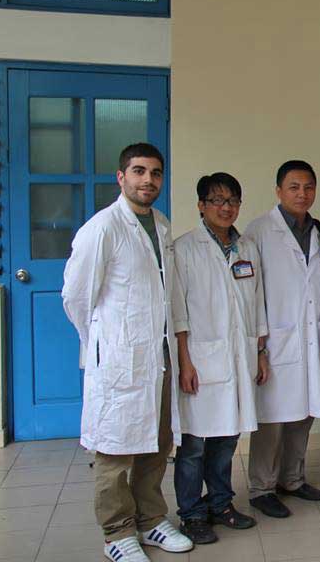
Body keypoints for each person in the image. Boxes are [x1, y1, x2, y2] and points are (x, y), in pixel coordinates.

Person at [62, 143, 193, 562]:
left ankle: (150, 519)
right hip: (119, 358)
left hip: (158, 355)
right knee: (115, 449)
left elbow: (169, 292)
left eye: (155, 173)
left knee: (157, 442)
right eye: (139, 171)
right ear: (121, 177)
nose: (147, 180)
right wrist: (103, 343)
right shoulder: (102, 228)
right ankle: (117, 532)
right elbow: (76, 297)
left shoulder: (162, 225)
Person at [171, 173, 267, 544]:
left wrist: (260, 352)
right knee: (194, 445)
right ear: (201, 205)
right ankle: (192, 514)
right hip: (200, 359)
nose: (226, 208)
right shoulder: (184, 249)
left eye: (233, 201)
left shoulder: (247, 248)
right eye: (217, 200)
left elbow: (257, 304)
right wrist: (184, 361)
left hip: (239, 356)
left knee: (227, 438)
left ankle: (221, 504)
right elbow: (178, 313)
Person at [243, 161, 320, 518]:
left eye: (308, 187)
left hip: (310, 337)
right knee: (272, 419)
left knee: (303, 413)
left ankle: (292, 479)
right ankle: (262, 487)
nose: (302, 194)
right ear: (278, 191)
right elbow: (251, 292)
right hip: (276, 341)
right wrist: (260, 347)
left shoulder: (317, 229)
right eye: (294, 187)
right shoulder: (259, 230)